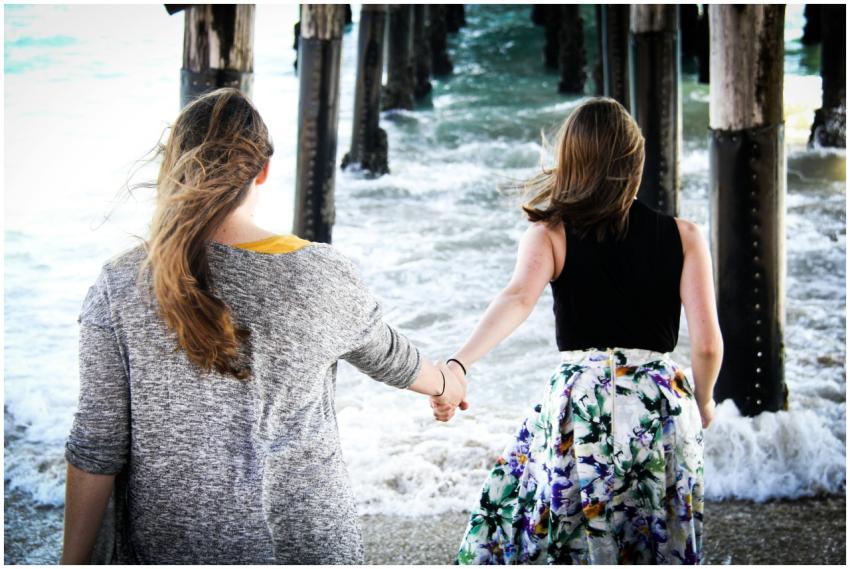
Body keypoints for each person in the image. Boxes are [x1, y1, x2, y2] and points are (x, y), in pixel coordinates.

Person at [61, 88, 466, 564]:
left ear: (174, 169)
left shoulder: (121, 283)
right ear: (263, 170)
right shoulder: (319, 274)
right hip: (307, 545)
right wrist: (447, 382)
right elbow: (390, 358)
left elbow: (96, 447)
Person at [434, 98, 723, 564]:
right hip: (659, 402)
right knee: (655, 538)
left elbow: (517, 299)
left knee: (561, 528)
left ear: (570, 161)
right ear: (637, 160)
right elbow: (707, 345)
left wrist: (458, 363)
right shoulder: (685, 235)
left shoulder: (551, 233)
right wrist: (704, 400)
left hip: (581, 402)